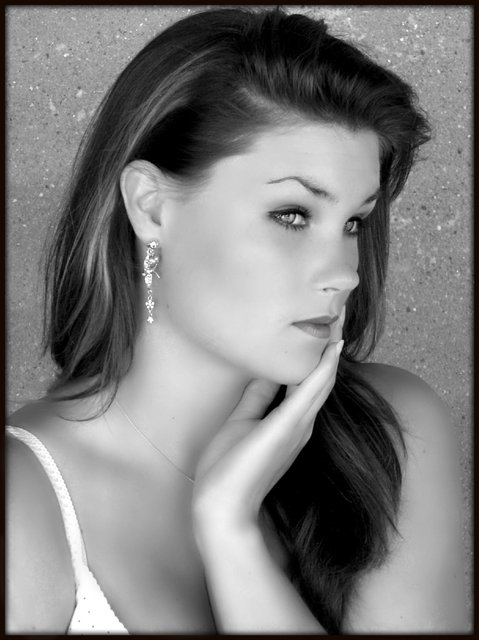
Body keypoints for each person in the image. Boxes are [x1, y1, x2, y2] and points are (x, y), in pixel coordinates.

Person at [6, 6, 467, 634]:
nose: (345, 274)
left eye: (353, 222)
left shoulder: (391, 433)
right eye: (292, 215)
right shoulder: (22, 506)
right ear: (152, 207)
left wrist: (231, 533)